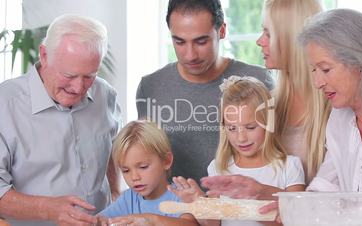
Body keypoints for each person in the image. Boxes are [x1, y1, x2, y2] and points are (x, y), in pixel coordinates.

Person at [201, 0, 330, 199]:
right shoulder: (267, 105)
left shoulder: (334, 109)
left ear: (292, 39)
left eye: (268, 33)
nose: (259, 41)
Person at [0, 14, 121, 226]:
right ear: (44, 55)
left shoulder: (105, 94)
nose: (78, 88)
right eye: (68, 75)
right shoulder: (5, 104)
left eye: (89, 76)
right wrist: (47, 209)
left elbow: (111, 148)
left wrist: (116, 192)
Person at [136, 0, 274, 184]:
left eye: (201, 41)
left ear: (222, 31)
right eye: (179, 42)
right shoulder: (151, 87)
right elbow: (145, 157)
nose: (190, 55)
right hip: (175, 209)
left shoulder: (260, 80)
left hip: (242, 206)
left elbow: (278, 151)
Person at [170, 76, 305, 226]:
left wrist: (253, 199)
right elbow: (215, 224)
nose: (241, 138)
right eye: (232, 128)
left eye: (250, 127)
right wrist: (199, 205)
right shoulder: (218, 167)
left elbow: (297, 220)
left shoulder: (289, 167)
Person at [298, 9, 362, 192]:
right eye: (314, 70)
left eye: (326, 69)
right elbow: (326, 187)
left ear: (361, 64)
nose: (317, 83)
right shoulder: (339, 118)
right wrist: (289, 206)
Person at [96, 120, 198, 226]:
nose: (134, 177)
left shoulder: (180, 195)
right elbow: (99, 219)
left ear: (166, 161)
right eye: (126, 170)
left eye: (143, 167)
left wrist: (152, 220)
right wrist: (97, 222)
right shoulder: (129, 198)